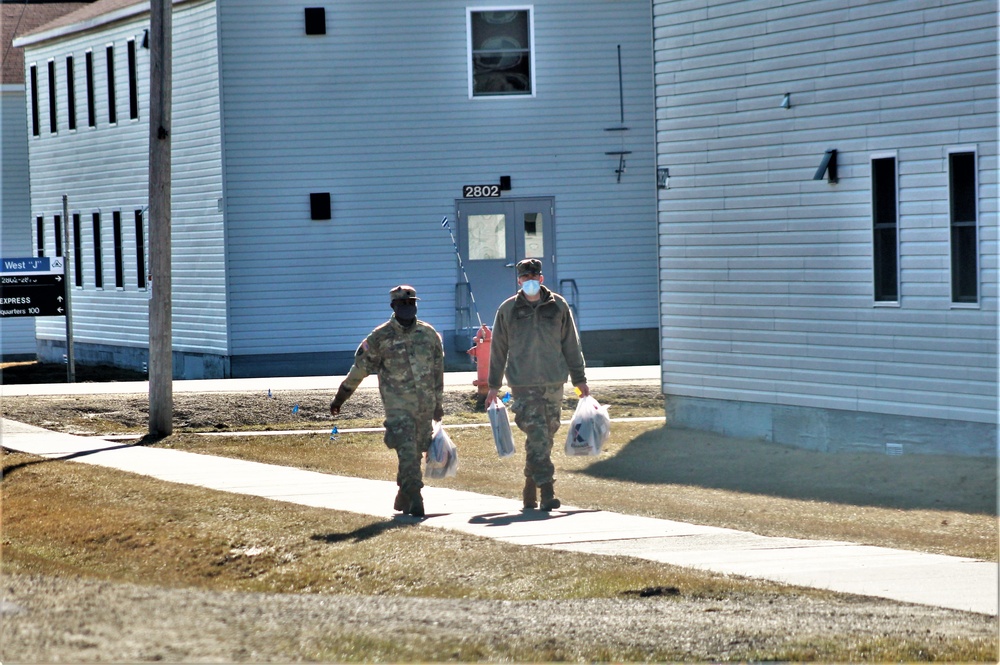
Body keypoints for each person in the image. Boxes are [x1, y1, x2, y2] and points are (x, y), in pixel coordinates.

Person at [330, 285, 445, 517]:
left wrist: (438, 404)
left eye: (411, 303)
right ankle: (415, 497)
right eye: (403, 304)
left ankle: (403, 492)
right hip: (398, 408)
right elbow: (359, 369)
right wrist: (341, 397)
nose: (408, 308)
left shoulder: (429, 335)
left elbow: (437, 372)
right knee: (407, 449)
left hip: (424, 408)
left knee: (416, 450)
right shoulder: (379, 338)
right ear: (393, 306)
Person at [485, 258, 589, 511]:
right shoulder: (508, 309)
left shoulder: (558, 306)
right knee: (538, 434)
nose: (529, 280)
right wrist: (493, 386)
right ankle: (547, 492)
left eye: (534, 276)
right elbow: (498, 349)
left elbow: (571, 345)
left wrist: (580, 381)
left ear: (541, 278)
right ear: (518, 280)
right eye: (525, 277)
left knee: (546, 435)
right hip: (522, 384)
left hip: (554, 382)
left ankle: (530, 489)